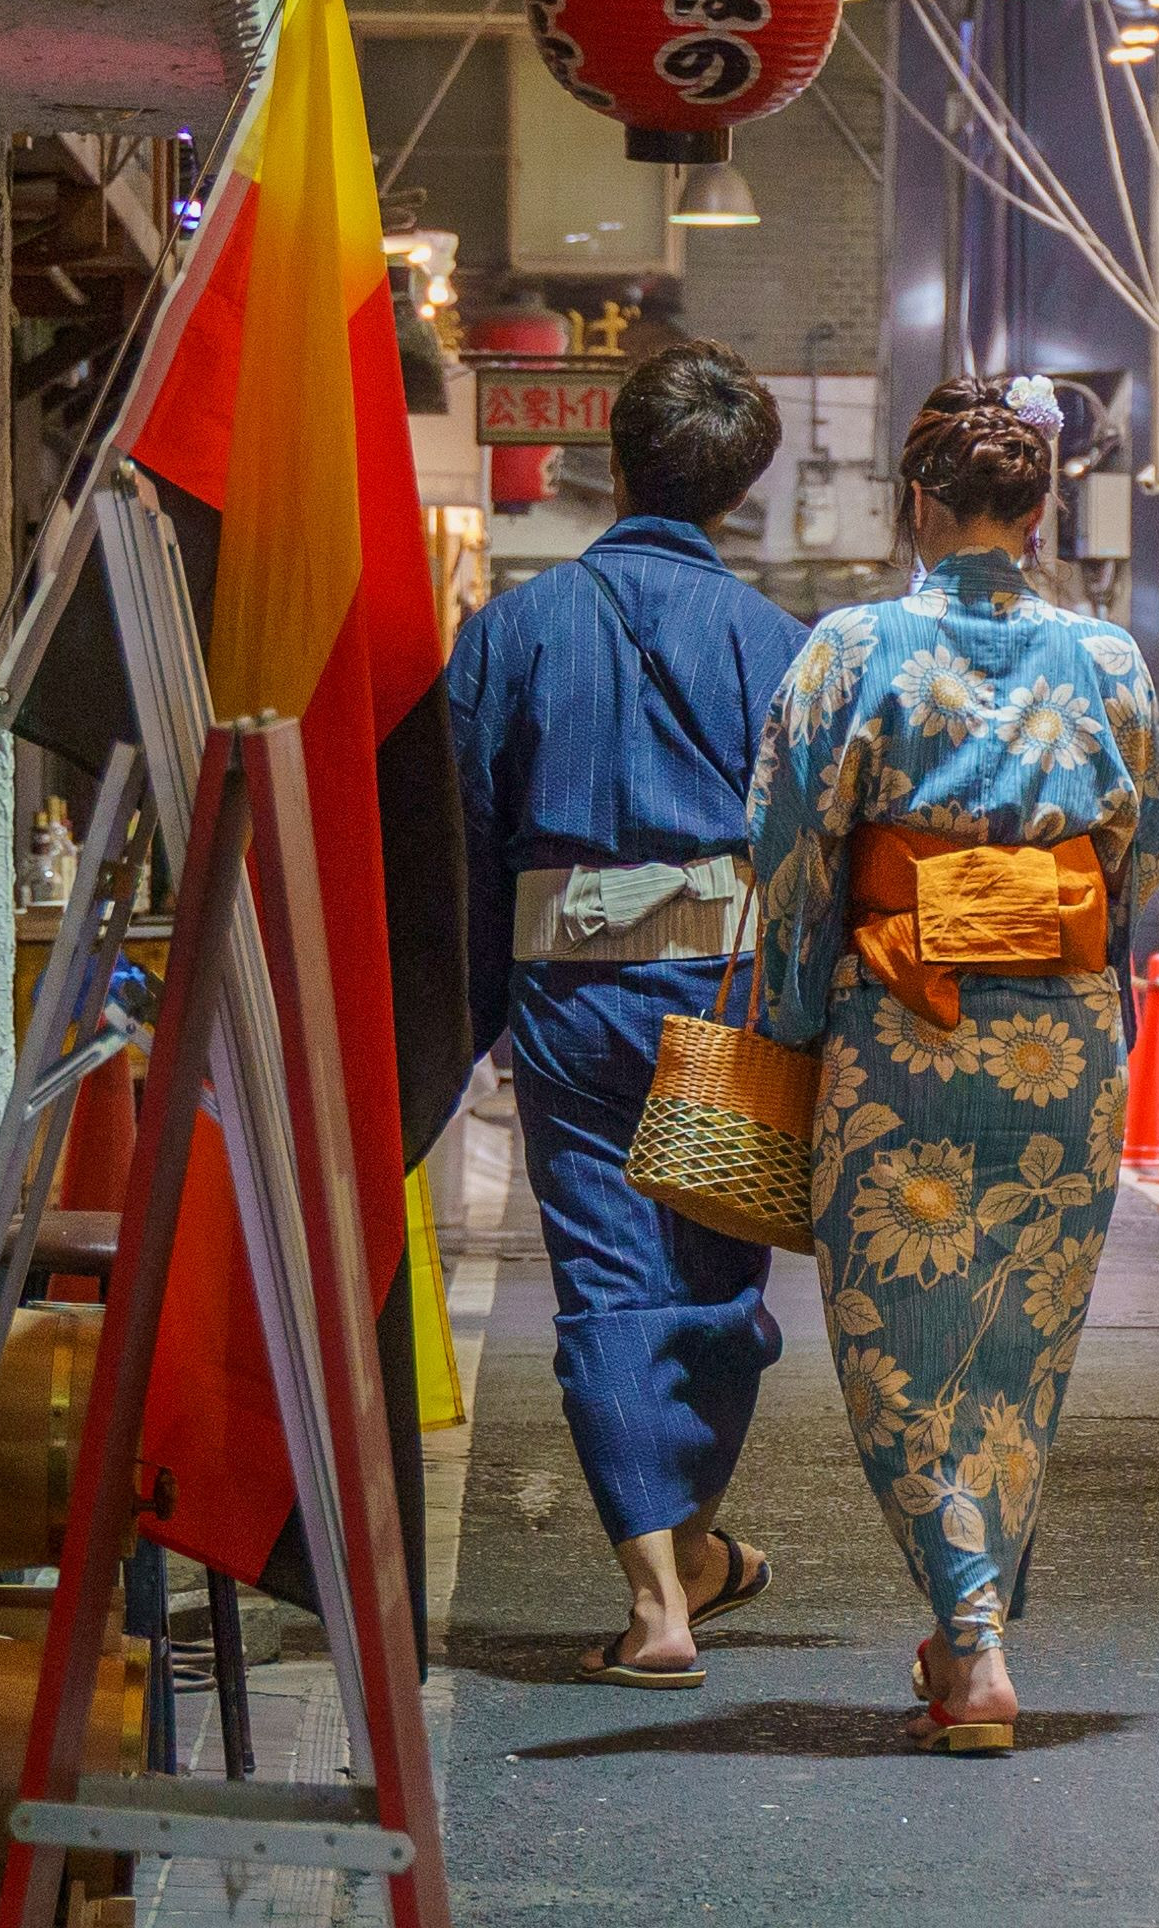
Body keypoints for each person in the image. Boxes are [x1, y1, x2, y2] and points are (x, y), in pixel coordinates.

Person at [748, 375, 1159, 1754]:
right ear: (1037, 516)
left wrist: (794, 1011)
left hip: (902, 1027)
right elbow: (1140, 850)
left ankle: (975, 1640)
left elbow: (790, 849)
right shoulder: (1107, 658)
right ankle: (969, 1622)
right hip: (1062, 1042)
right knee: (1018, 1342)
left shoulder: (850, 648)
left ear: (918, 505)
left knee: (901, 1340)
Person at [450, 338, 807, 1685]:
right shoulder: (781, 648)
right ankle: (693, 1545)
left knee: (605, 1281)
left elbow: (460, 839)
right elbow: (811, 852)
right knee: (716, 1281)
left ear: (612, 460)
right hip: (727, 997)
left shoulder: (515, 630)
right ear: (743, 488)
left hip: (570, 1000)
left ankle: (663, 1598)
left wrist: (473, 1010)